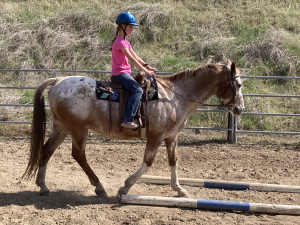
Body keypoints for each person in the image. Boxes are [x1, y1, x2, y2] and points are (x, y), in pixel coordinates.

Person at [111, 12, 157, 129]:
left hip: (125, 73)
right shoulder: (119, 42)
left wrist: (148, 67)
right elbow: (132, 60)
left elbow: (136, 57)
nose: (132, 29)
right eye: (130, 27)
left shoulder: (126, 42)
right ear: (122, 26)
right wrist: (146, 72)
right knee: (137, 91)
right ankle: (128, 119)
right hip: (120, 74)